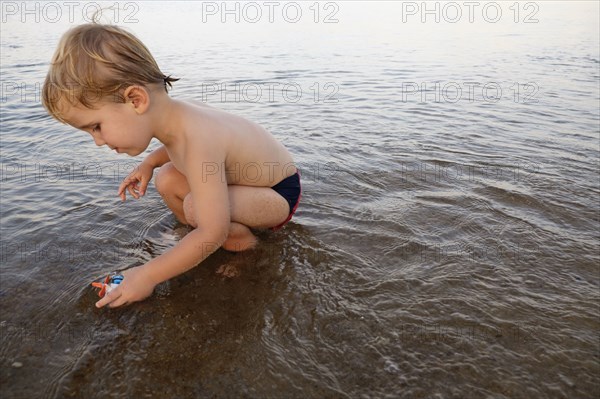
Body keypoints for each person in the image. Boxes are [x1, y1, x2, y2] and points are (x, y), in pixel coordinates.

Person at [41, 23, 301, 308]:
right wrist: (149, 164)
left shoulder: (199, 138)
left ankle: (245, 250)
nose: (98, 142)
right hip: (249, 186)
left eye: (96, 127)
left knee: (199, 212)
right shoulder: (176, 118)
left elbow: (212, 227)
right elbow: (173, 145)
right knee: (166, 178)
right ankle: (191, 236)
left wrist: (147, 275)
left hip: (277, 193)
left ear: (135, 100)